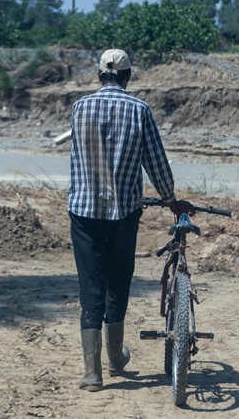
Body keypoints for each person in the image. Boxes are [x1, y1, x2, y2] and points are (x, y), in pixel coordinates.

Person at [68, 48, 193, 391]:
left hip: (83, 212)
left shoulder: (79, 108)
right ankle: (115, 359)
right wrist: (171, 201)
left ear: (98, 76)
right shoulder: (139, 110)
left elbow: (79, 160)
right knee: (118, 279)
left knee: (91, 283)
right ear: (128, 77)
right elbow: (156, 163)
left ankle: (92, 373)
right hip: (123, 213)